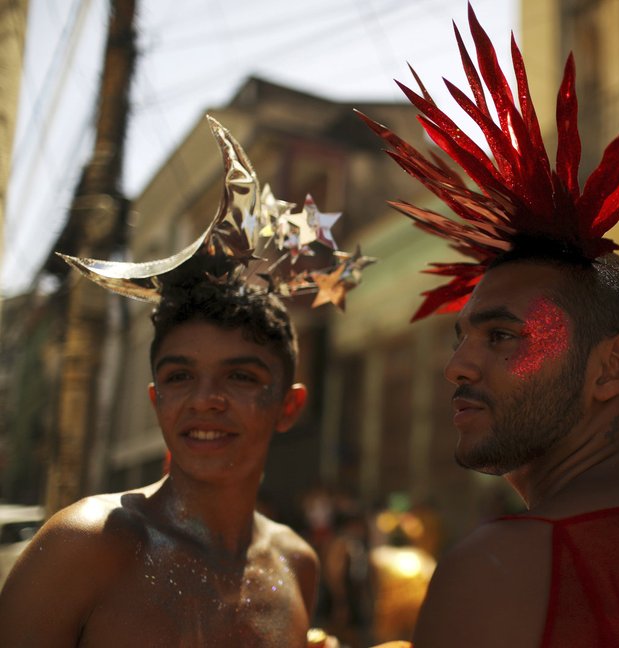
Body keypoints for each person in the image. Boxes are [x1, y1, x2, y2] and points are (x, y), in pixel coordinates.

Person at [358, 8, 619, 647]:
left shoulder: (500, 567)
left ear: (612, 368)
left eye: (502, 336)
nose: (456, 366)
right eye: (461, 337)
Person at [0, 117, 372, 647]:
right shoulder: (85, 545)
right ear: (157, 401)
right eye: (180, 376)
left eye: (241, 377)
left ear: (288, 408)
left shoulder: (297, 565)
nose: (206, 401)